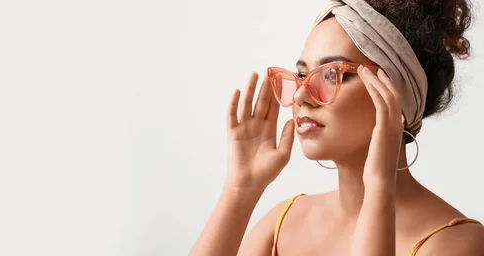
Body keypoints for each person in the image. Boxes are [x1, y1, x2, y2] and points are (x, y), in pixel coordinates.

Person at [189, 0, 484, 255]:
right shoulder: (285, 221)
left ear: (395, 94)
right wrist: (241, 188)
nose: (302, 95)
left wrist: (379, 191)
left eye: (331, 74)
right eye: (302, 74)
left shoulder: (457, 243)